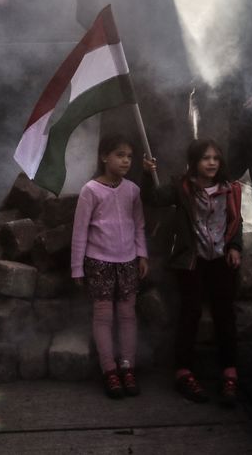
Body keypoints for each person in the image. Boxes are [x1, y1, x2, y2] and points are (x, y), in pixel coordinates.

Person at [142, 138, 244, 406]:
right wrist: (146, 172)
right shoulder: (182, 187)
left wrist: (235, 246)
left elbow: (236, 221)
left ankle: (229, 371)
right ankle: (183, 371)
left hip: (221, 258)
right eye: (205, 158)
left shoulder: (229, 189)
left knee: (225, 313)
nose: (211, 163)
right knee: (190, 312)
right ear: (194, 162)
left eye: (215, 158)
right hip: (192, 260)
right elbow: (153, 198)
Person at [71, 134, 149, 400]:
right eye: (119, 154)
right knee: (103, 316)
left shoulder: (133, 191)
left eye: (129, 156)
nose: (126, 160)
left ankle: (128, 366)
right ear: (104, 157)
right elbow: (80, 231)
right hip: (99, 262)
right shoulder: (90, 191)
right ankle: (109, 370)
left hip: (127, 262)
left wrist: (142, 255)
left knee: (128, 315)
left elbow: (138, 224)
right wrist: (77, 268)